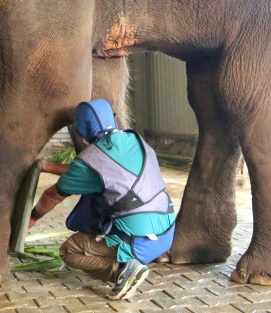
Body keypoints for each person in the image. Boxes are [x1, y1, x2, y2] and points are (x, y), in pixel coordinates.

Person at [29, 99, 176, 301]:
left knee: (68, 250)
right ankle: (145, 258)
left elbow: (52, 195)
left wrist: (32, 218)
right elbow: (98, 172)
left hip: (138, 242)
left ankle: (123, 270)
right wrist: (48, 166)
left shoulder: (90, 159)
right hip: (166, 233)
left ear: (81, 131)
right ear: (114, 119)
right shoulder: (135, 141)